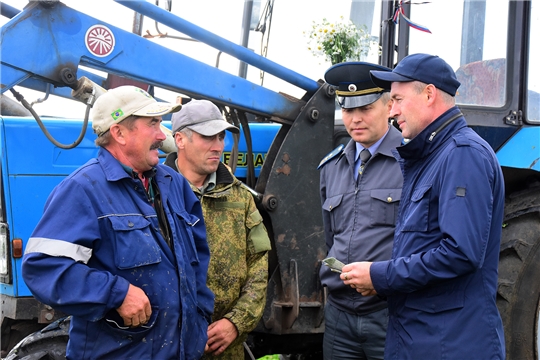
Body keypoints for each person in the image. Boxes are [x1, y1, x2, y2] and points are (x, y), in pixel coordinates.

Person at [22, 86, 214, 360]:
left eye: (161, 124)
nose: (162, 135)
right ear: (119, 133)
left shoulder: (175, 185)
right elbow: (42, 267)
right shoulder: (83, 189)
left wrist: (200, 316)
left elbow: (198, 260)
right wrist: (117, 294)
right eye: (153, 124)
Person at [340, 53, 506, 359]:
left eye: (399, 99)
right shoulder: (430, 156)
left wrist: (380, 276)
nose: (392, 111)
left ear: (429, 94)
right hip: (423, 337)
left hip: (449, 343)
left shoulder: (462, 155)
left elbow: (460, 253)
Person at [164, 99, 271, 359]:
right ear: (180, 139)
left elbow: (259, 266)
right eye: (207, 137)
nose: (218, 147)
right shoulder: (154, 194)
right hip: (168, 345)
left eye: (221, 137)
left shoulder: (240, 197)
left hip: (225, 347)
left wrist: (235, 323)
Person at [318, 62, 403, 360]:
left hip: (392, 313)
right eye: (348, 110)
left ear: (389, 105)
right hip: (340, 314)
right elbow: (332, 237)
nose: (355, 119)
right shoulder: (331, 167)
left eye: (365, 108)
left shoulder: (412, 162)